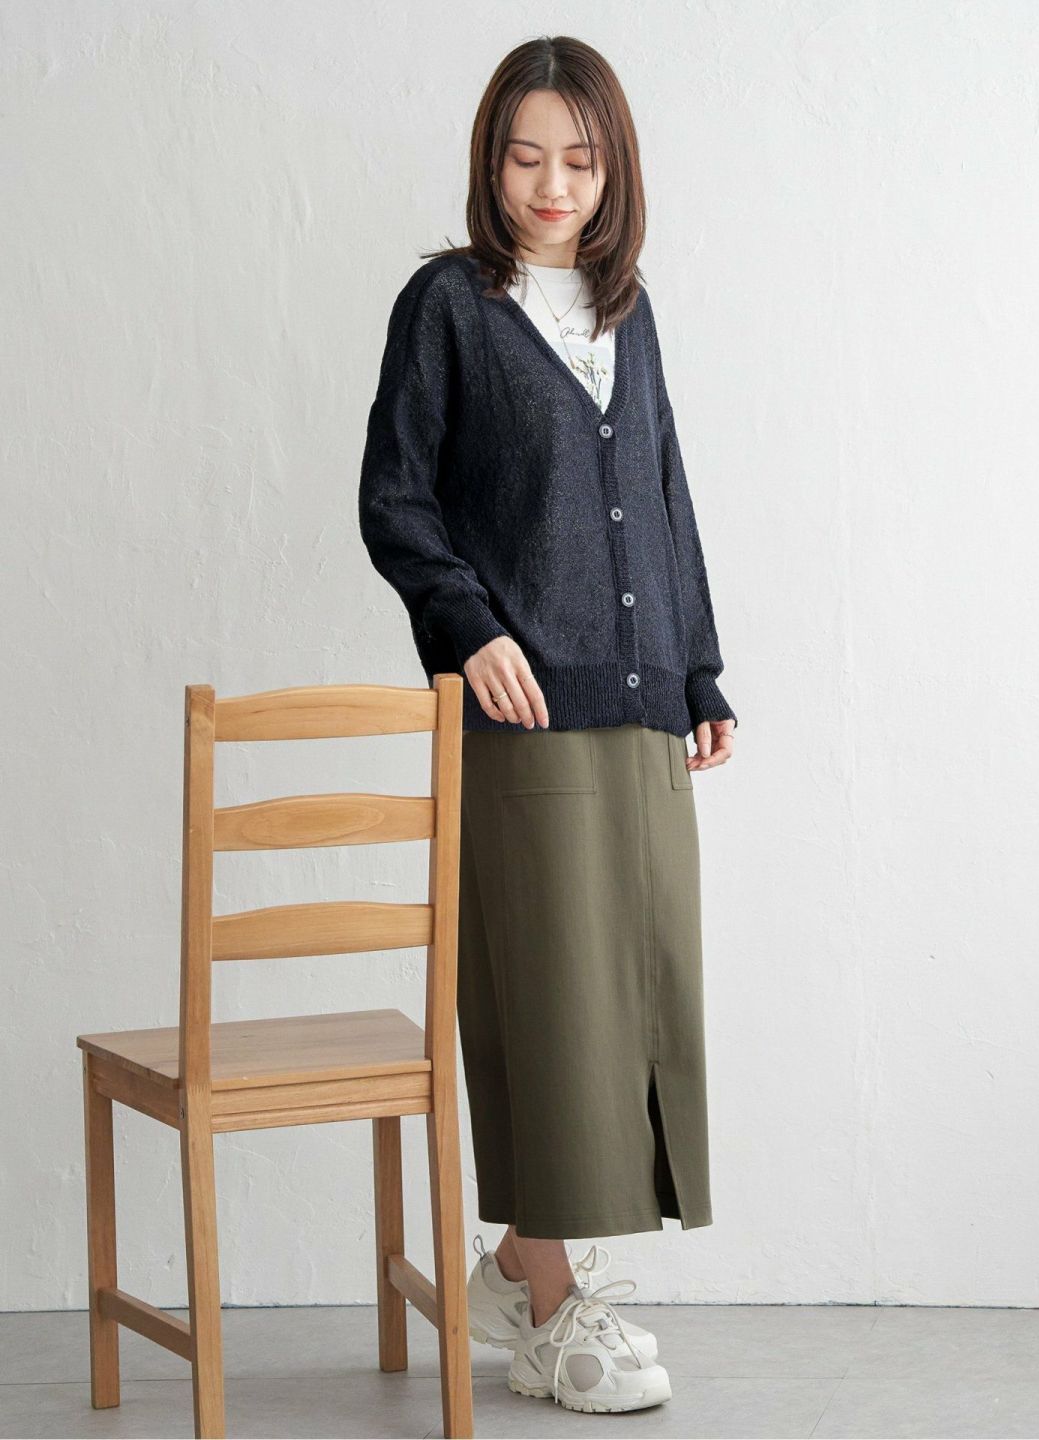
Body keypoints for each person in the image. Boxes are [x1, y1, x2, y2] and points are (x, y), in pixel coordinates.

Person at [358, 34, 737, 1415]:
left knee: (635, 997)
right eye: (526, 158)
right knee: (551, 1005)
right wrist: (472, 629)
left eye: (578, 160)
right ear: (491, 162)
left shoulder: (630, 311)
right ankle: (547, 1292)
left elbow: (668, 495)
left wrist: (699, 672)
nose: (551, 186)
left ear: (612, 168)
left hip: (637, 708)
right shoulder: (450, 308)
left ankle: (527, 1275)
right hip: (521, 720)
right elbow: (394, 497)